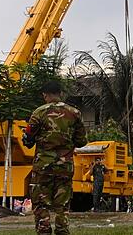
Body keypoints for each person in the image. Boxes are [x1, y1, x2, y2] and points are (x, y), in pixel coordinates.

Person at [23, 80, 88, 235]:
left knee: (41, 204)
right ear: (60, 94)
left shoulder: (38, 113)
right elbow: (81, 141)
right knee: (62, 205)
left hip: (43, 167)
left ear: (45, 95)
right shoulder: (74, 113)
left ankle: (44, 230)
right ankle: (62, 230)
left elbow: (28, 140)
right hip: (65, 167)